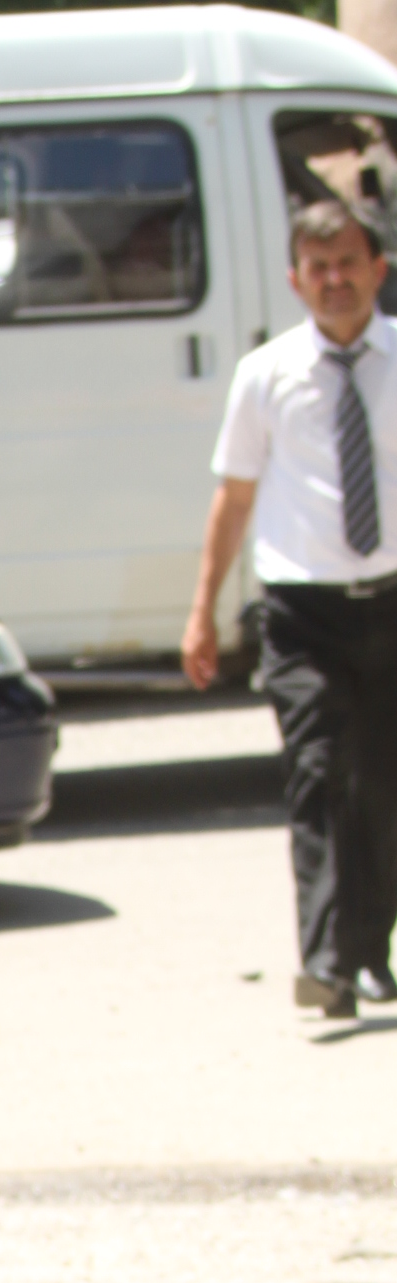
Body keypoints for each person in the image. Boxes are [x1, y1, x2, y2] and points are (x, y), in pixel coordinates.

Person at [184, 198, 397, 1018]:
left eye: (348, 262)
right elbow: (233, 499)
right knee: (316, 776)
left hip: (392, 605)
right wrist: (202, 612)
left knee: (381, 786)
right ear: (294, 280)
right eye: (318, 268)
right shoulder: (266, 375)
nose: (335, 280)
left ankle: (373, 952)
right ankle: (328, 964)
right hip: (303, 612)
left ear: (378, 267)